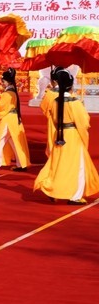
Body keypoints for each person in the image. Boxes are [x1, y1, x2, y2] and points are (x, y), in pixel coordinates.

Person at [34, 70, 99, 204]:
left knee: (59, 163)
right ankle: (75, 196)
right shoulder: (75, 102)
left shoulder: (56, 100)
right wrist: (82, 108)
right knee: (77, 166)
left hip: (59, 133)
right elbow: (84, 122)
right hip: (72, 135)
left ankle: (52, 187)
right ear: (71, 85)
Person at [0, 68, 30, 171]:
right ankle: (21, 164)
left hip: (8, 119)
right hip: (14, 119)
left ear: (8, 81)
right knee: (15, 142)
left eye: (3, 81)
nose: (2, 83)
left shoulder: (8, 94)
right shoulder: (12, 93)